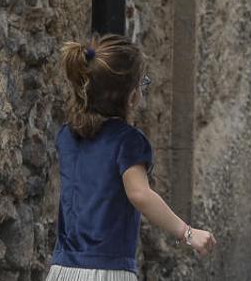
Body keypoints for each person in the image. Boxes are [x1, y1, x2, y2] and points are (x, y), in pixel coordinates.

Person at [47, 35, 216, 280]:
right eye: (143, 84)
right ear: (131, 96)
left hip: (63, 268)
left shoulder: (67, 136)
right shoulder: (128, 141)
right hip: (107, 271)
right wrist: (188, 233)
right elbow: (139, 194)